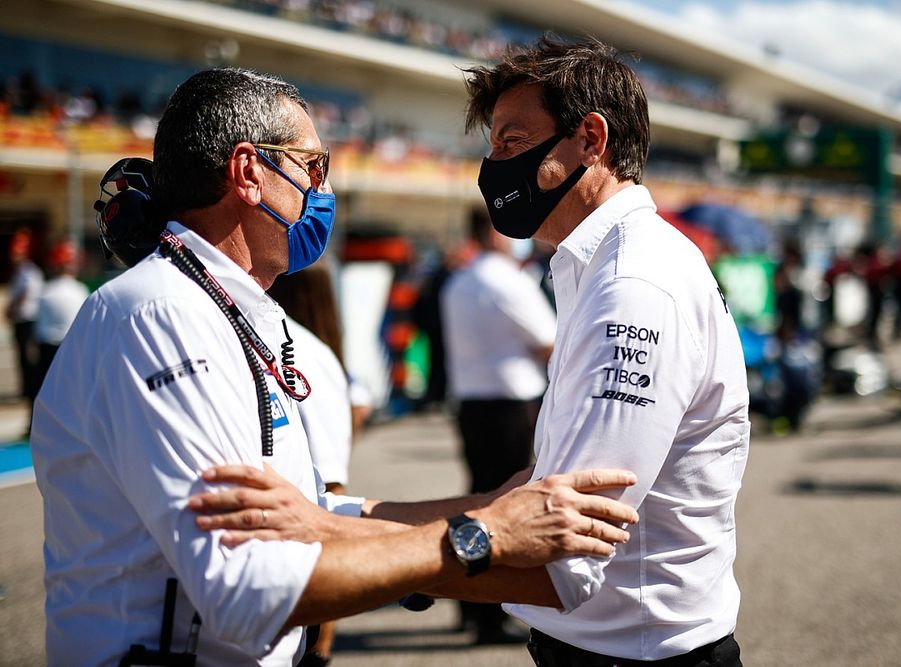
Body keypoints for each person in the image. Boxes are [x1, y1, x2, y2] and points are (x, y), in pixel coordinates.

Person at [29, 67, 639, 667]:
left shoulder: (225, 309)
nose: (324, 190)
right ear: (249, 173)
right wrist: (483, 538)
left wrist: (483, 509)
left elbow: (313, 517)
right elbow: (241, 591)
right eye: (313, 167)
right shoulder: (161, 315)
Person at [197, 37, 750, 666]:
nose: (493, 167)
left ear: (590, 140)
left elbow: (564, 560)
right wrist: (351, 514)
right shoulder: (598, 268)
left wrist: (332, 540)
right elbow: (530, 495)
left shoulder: (632, 285)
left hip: (641, 655)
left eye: (512, 144)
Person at [440, 208, 557, 644]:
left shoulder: (459, 281)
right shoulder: (507, 280)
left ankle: (469, 601)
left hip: (471, 401)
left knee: (475, 498)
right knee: (503, 508)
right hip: (511, 404)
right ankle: (490, 611)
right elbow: (551, 342)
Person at [268, 261, 353, 666]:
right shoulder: (302, 347)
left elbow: (329, 485)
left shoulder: (300, 352)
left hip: (299, 551)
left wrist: (321, 645)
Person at [32, 240, 90, 385]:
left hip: (47, 349)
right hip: (71, 348)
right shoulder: (80, 290)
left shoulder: (44, 291)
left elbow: (37, 326)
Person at [5, 228, 43, 401]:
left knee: (28, 356)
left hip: (27, 319)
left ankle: (30, 389)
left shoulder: (29, 272)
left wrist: (12, 308)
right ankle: (26, 388)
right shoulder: (20, 272)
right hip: (21, 319)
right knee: (21, 356)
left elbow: (24, 295)